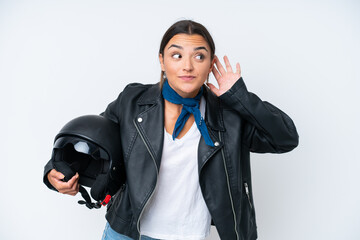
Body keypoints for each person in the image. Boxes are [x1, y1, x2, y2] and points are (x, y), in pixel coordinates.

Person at [44, 20, 299, 240]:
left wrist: (240, 97)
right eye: (177, 55)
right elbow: (94, 141)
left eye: (199, 56)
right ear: (162, 61)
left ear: (210, 65)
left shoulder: (228, 116)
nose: (187, 66)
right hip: (126, 232)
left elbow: (285, 138)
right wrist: (55, 172)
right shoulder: (133, 101)